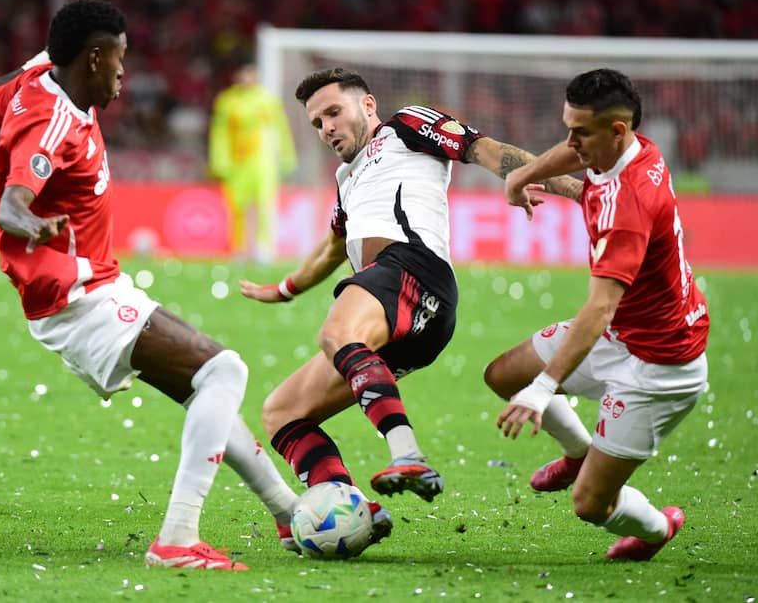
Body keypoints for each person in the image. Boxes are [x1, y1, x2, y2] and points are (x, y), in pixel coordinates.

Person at [0, 0, 299, 571]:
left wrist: (37, 63)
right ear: (92, 57)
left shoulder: (41, 83)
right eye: (119, 59)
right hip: (76, 296)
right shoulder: (52, 120)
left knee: (203, 388)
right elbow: (11, 206)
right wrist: (34, 223)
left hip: (93, 286)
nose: (123, 72)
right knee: (225, 370)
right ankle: (177, 540)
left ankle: (287, 512)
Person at [240, 68, 580, 545]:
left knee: (337, 334)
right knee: (281, 413)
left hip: (414, 272)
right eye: (317, 123)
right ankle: (351, 511)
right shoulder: (345, 179)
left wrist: (583, 194)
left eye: (334, 113)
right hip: (395, 312)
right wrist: (284, 289)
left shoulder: (405, 127)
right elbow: (331, 249)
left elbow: (486, 150)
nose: (327, 129)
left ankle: (407, 454)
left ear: (368, 105)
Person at [486, 68, 710, 561]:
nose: (570, 141)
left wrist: (544, 390)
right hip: (626, 333)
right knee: (504, 374)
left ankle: (657, 529)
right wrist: (523, 174)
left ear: (617, 131)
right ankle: (578, 453)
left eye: (580, 132)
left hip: (659, 365)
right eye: (569, 126)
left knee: (590, 505)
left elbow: (599, 307)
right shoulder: (632, 149)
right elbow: (579, 160)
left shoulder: (627, 208)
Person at [208, 56, 297, 263]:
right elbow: (219, 133)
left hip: (263, 162)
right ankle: (239, 248)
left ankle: (263, 248)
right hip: (238, 161)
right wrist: (220, 159)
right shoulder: (227, 101)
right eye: (243, 73)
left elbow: (281, 129)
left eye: (251, 73)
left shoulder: (267, 100)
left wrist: (286, 156)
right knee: (237, 205)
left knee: (265, 203)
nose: (247, 78)